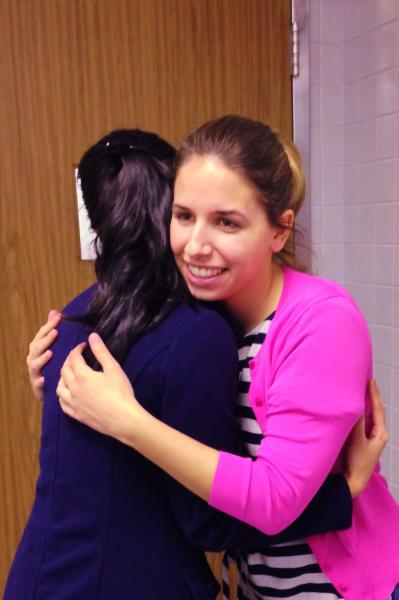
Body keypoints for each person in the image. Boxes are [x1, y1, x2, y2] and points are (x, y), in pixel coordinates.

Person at [4, 128, 374, 600]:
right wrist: (345, 491)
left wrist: (122, 417)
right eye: (185, 215)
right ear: (166, 212)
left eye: (226, 222)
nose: (197, 245)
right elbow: (208, 520)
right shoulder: (191, 329)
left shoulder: (81, 313)